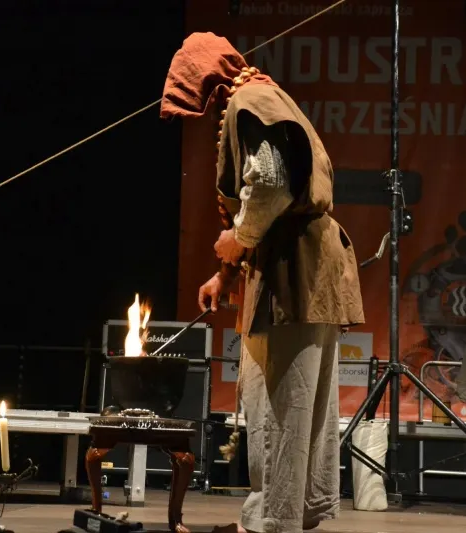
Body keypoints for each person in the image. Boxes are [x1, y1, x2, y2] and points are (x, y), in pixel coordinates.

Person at [160, 33, 364, 533]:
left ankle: (273, 522)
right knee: (293, 405)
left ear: (207, 82)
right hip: (302, 265)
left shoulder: (247, 101)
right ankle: (279, 516)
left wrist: (239, 237)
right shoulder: (264, 94)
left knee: (282, 406)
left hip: (293, 270)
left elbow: (270, 182)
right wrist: (225, 274)